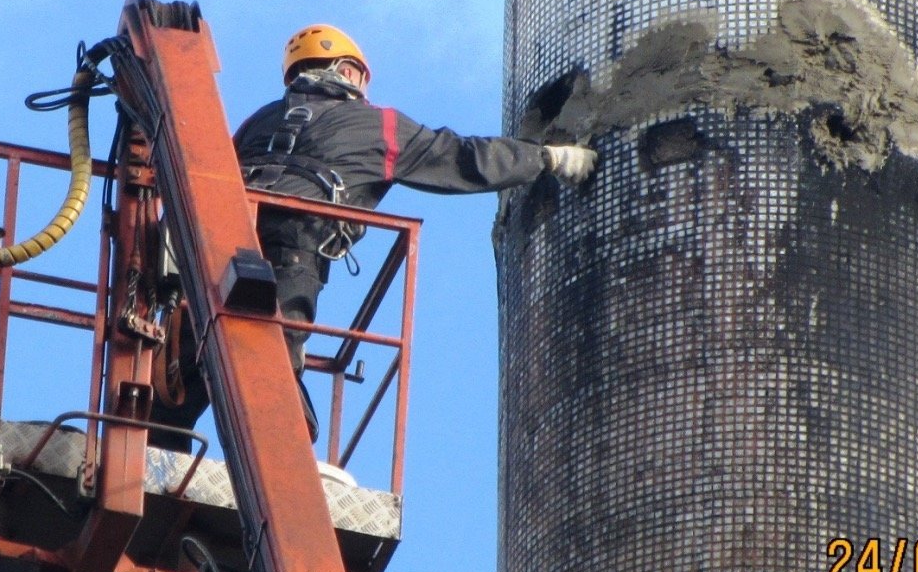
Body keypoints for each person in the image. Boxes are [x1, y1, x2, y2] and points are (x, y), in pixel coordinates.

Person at [148, 23, 598, 449]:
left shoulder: (254, 124)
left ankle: (153, 457)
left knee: (180, 377)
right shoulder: (376, 125)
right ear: (347, 72)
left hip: (209, 247)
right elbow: (464, 158)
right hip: (293, 249)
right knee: (270, 377)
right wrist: (546, 159)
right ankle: (286, 467)